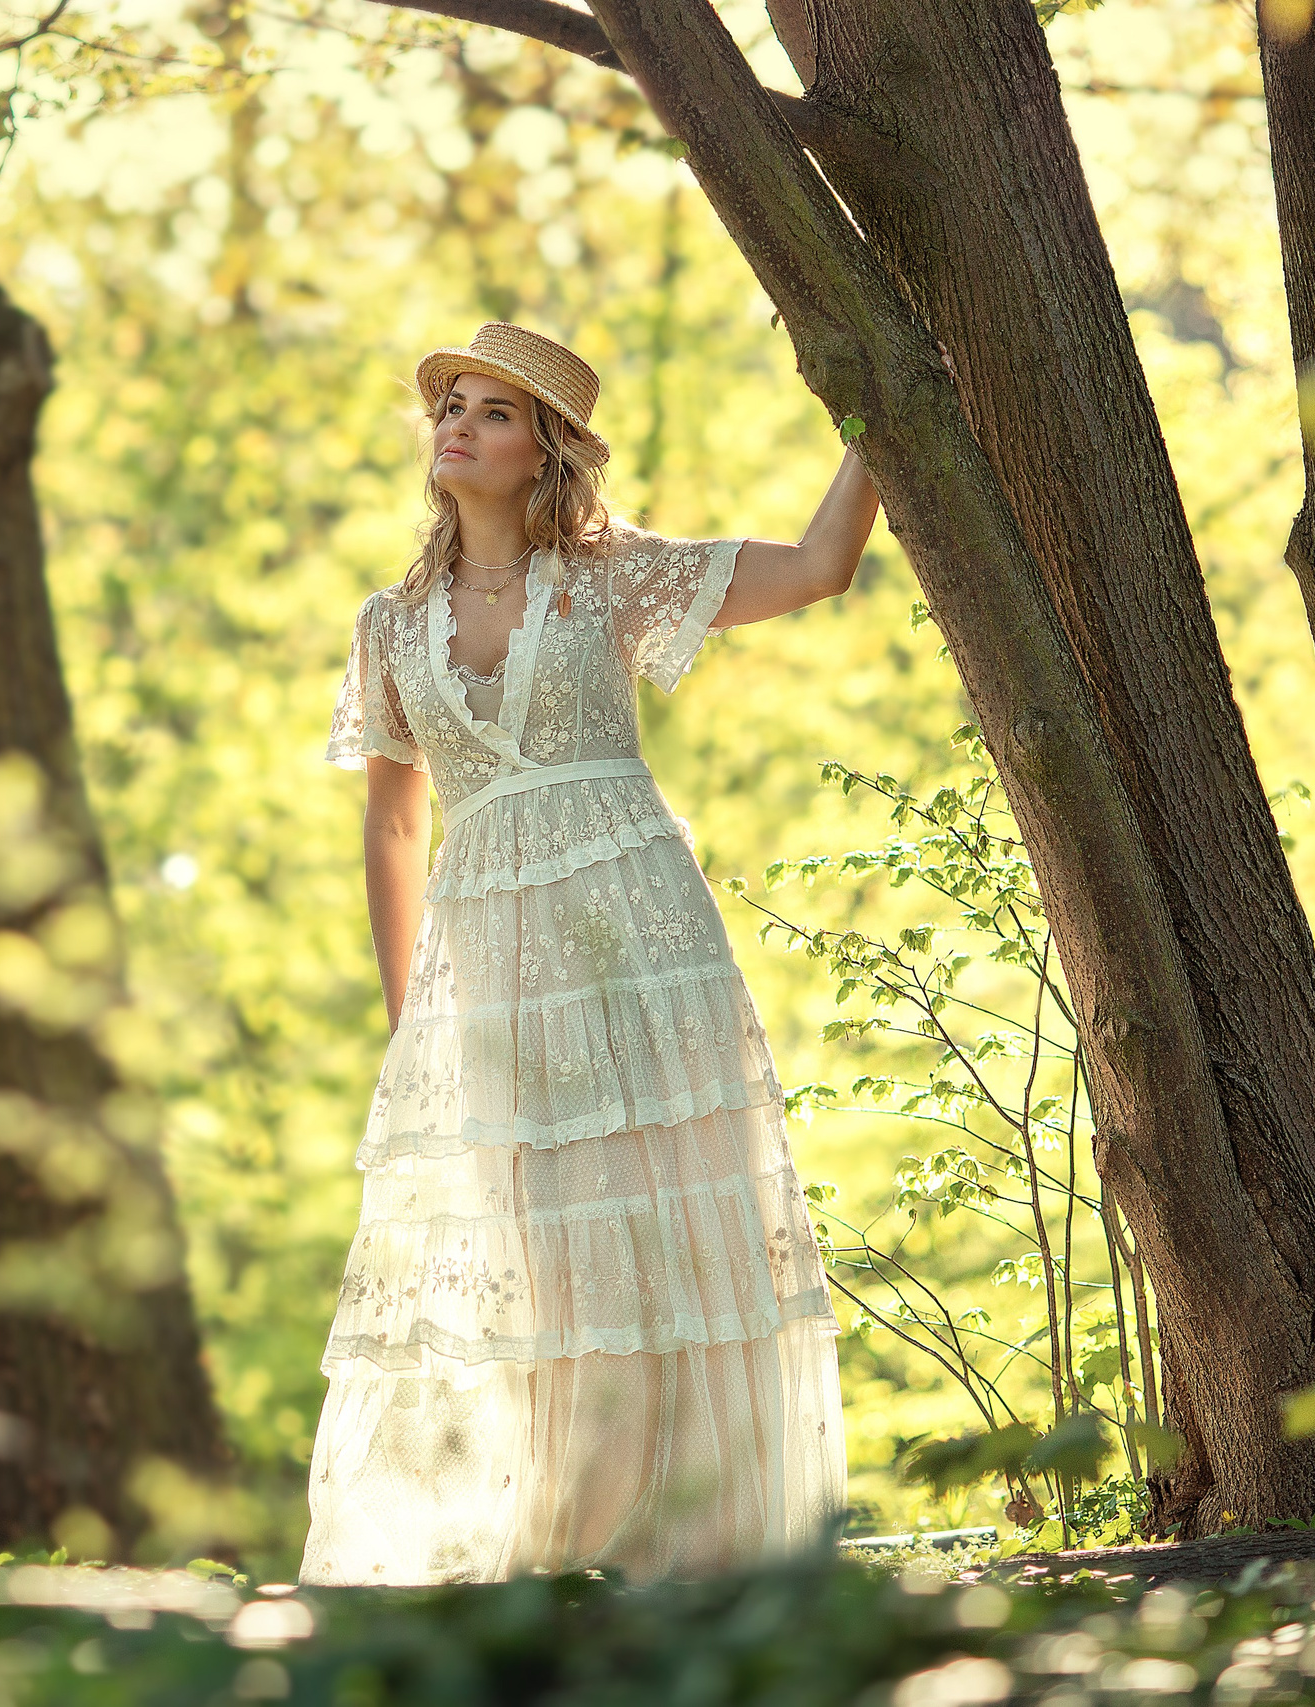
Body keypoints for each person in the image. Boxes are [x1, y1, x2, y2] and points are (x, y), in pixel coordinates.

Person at [303, 322, 883, 1584]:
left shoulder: (609, 579)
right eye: (449, 403)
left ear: (547, 451)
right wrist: (414, 1020)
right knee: (541, 1244)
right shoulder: (389, 623)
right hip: (493, 954)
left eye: (493, 411)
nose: (456, 422)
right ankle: (560, 1534)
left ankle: (686, 1540)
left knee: (664, 1219)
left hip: (638, 928)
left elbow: (823, 565)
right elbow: (395, 826)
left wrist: (876, 414)